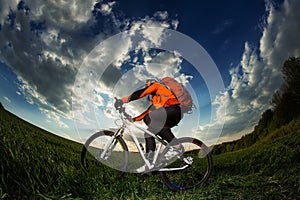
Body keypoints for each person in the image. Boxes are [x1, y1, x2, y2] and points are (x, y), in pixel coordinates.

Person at [116, 78, 184, 172]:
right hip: (170, 114)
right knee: (148, 133)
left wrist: (123, 100)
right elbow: (148, 112)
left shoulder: (157, 86)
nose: (146, 84)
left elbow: (142, 93)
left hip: (173, 110)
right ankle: (149, 163)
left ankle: (177, 146)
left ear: (152, 82)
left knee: (148, 118)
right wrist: (133, 119)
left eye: (147, 83)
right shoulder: (156, 100)